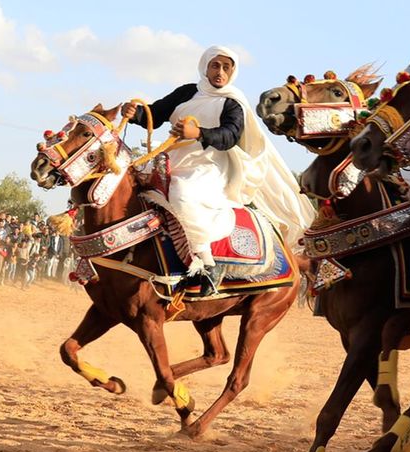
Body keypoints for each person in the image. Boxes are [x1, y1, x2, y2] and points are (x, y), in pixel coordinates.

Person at [122, 46, 315, 294]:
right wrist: (136, 112)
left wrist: (199, 133)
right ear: (205, 67)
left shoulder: (233, 102)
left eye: (226, 67)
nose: (220, 72)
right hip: (173, 157)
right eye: (215, 65)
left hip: (211, 164)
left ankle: (207, 264)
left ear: (233, 71)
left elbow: (230, 136)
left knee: (183, 194)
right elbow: (156, 113)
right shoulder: (188, 92)